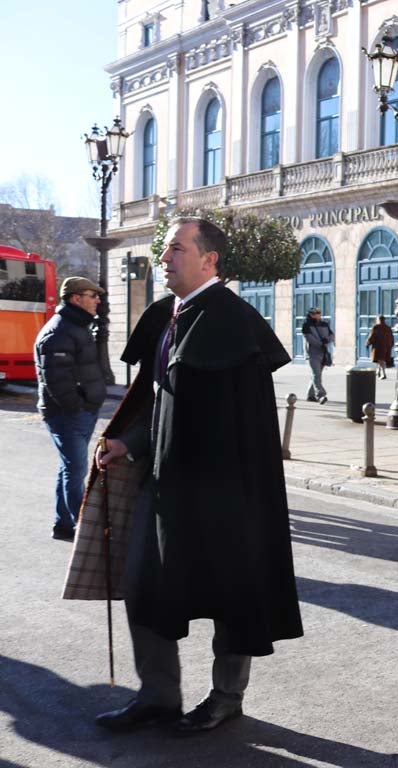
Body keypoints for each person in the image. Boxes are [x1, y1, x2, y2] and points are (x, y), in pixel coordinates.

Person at [92, 217, 302, 734]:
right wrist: (128, 442)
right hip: (164, 485)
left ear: (209, 259)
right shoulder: (167, 314)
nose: (164, 258)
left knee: (231, 591)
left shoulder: (235, 321)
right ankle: (158, 696)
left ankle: (227, 696)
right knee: (143, 586)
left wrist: (236, 499)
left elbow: (247, 426)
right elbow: (160, 400)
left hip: (224, 492)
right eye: (165, 250)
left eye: (176, 249)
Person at [34, 276, 106, 541]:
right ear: (76, 298)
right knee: (76, 470)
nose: (98, 300)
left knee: (70, 469)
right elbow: (55, 378)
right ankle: (84, 529)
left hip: (81, 411)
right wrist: (77, 407)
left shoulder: (77, 326)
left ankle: (62, 524)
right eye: (93, 295)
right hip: (68, 414)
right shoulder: (60, 331)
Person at [301, 307, 334, 403]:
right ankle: (321, 395)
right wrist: (321, 343)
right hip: (312, 353)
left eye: (319, 313)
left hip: (323, 353)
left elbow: (331, 335)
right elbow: (309, 339)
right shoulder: (306, 325)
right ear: (311, 315)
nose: (319, 314)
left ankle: (310, 395)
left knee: (316, 375)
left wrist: (327, 340)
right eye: (316, 313)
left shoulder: (324, 324)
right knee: (317, 375)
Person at [366, 314, 395, 379]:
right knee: (381, 360)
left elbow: (372, 336)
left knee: (380, 360)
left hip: (378, 347)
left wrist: (367, 343)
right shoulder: (388, 328)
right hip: (387, 347)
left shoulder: (376, 327)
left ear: (378, 320)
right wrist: (391, 345)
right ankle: (378, 372)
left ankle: (383, 373)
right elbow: (392, 338)